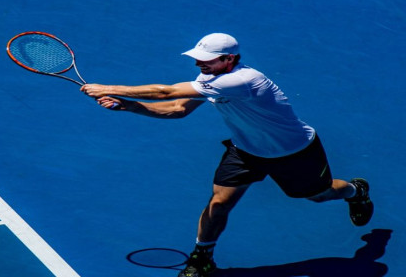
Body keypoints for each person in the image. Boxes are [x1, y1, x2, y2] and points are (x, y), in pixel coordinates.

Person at [80, 33, 373, 277]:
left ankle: (355, 190)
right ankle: (201, 257)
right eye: (198, 58)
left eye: (206, 60)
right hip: (245, 151)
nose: (198, 63)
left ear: (229, 59)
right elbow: (177, 109)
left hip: (294, 152)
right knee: (219, 203)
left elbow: (165, 92)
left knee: (318, 195)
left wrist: (106, 87)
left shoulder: (241, 80)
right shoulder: (210, 77)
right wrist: (129, 106)